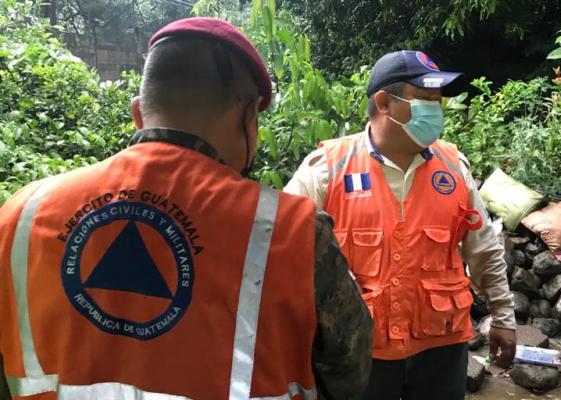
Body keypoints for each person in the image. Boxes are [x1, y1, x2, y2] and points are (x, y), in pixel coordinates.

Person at [0, 18, 371, 400]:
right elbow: (348, 374)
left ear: (137, 112)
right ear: (247, 114)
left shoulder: (21, 215)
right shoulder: (296, 232)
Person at [284, 50, 516, 400]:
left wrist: (503, 315)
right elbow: (282, 250)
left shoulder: (453, 168)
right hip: (358, 350)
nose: (435, 111)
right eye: (424, 99)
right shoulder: (327, 169)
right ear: (383, 102)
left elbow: (483, 246)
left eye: (437, 102)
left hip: (441, 348)